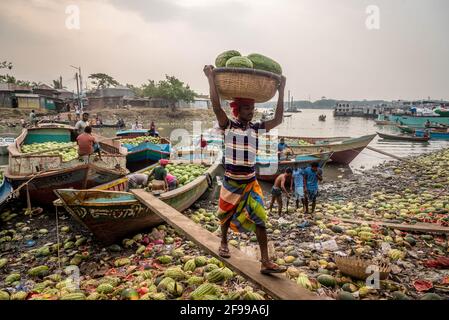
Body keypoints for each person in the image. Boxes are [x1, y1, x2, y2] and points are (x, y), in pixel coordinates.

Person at [204, 64, 287, 274]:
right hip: (232, 180)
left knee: (260, 219)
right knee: (225, 214)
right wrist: (210, 78)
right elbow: (216, 107)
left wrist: (281, 90)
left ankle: (266, 262)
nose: (251, 112)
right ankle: (223, 242)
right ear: (237, 110)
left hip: (250, 182)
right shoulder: (228, 125)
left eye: (253, 109)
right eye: (247, 109)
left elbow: (278, 119)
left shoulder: (256, 127)